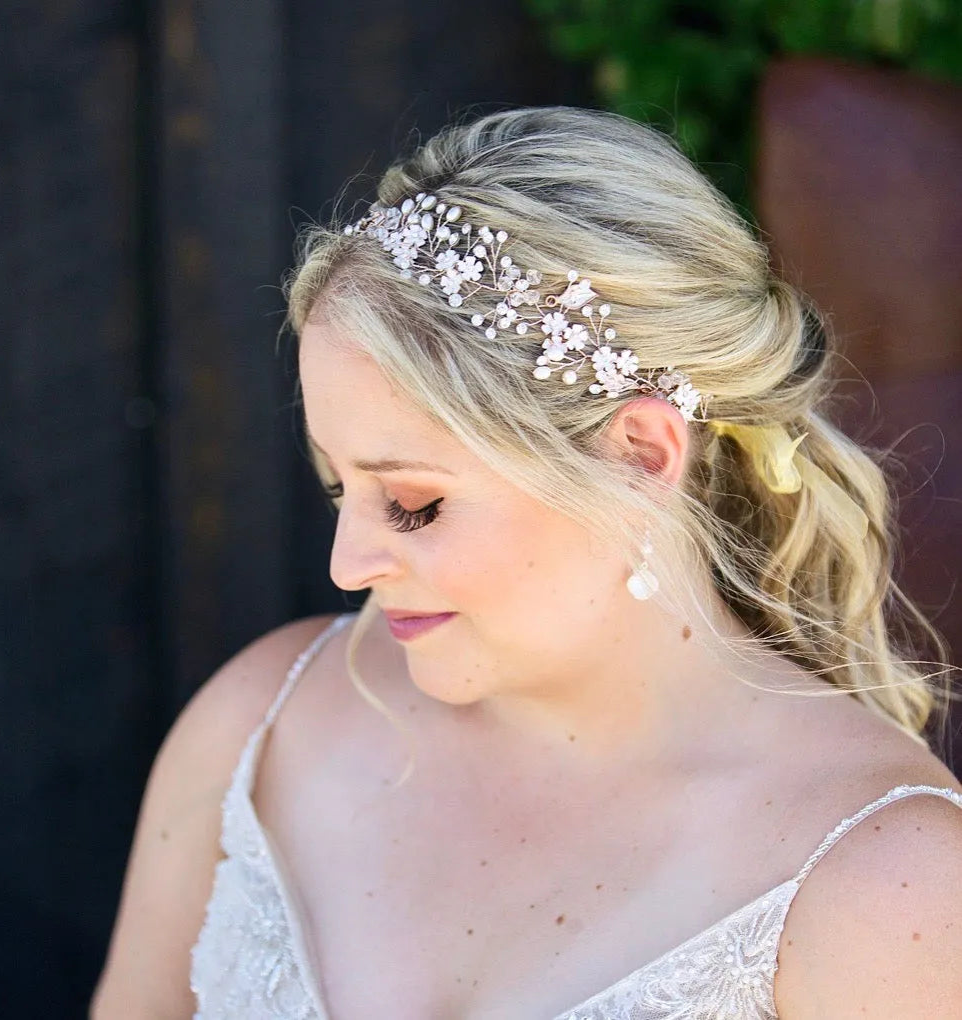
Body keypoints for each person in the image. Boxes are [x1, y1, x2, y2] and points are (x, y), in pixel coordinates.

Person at [92, 106, 962, 1019]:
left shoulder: (889, 890)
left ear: (640, 457)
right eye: (339, 487)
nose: (347, 565)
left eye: (415, 503)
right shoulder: (261, 726)